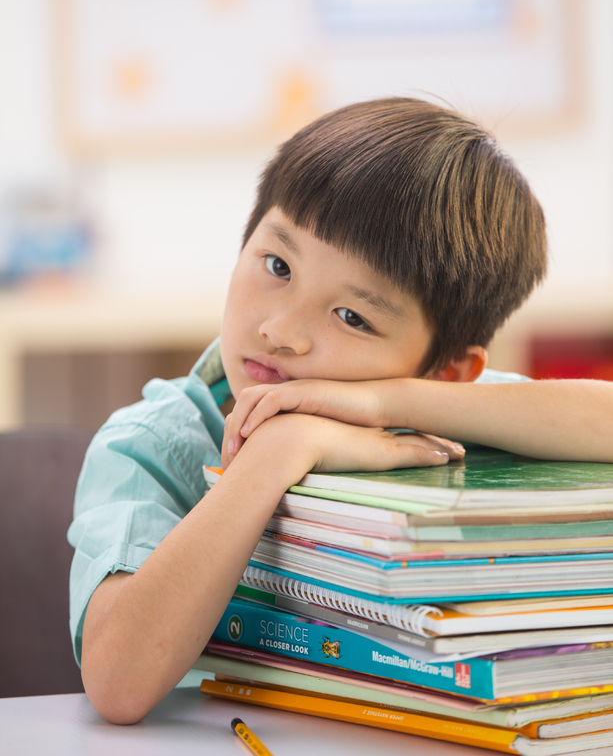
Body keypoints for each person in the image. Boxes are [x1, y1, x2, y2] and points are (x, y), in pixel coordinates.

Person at [68, 97, 613, 724]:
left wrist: (389, 400)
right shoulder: (153, 443)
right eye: (277, 265)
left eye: (352, 316)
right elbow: (116, 683)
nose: (281, 330)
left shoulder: (439, 411)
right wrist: (273, 455)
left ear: (444, 372)